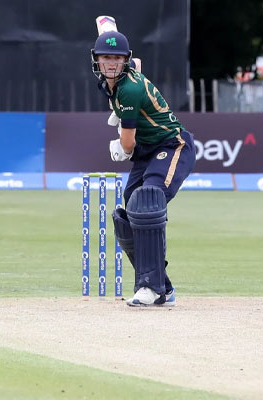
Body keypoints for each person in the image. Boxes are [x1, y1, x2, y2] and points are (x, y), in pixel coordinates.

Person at [91, 31, 196, 307]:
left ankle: (150, 288)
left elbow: (128, 143)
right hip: (148, 152)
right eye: (105, 58)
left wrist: (121, 147)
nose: (111, 64)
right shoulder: (112, 78)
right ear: (97, 60)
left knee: (147, 201)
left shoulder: (129, 89)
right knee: (129, 216)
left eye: (116, 58)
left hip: (172, 145)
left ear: (123, 61)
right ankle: (165, 287)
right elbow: (137, 63)